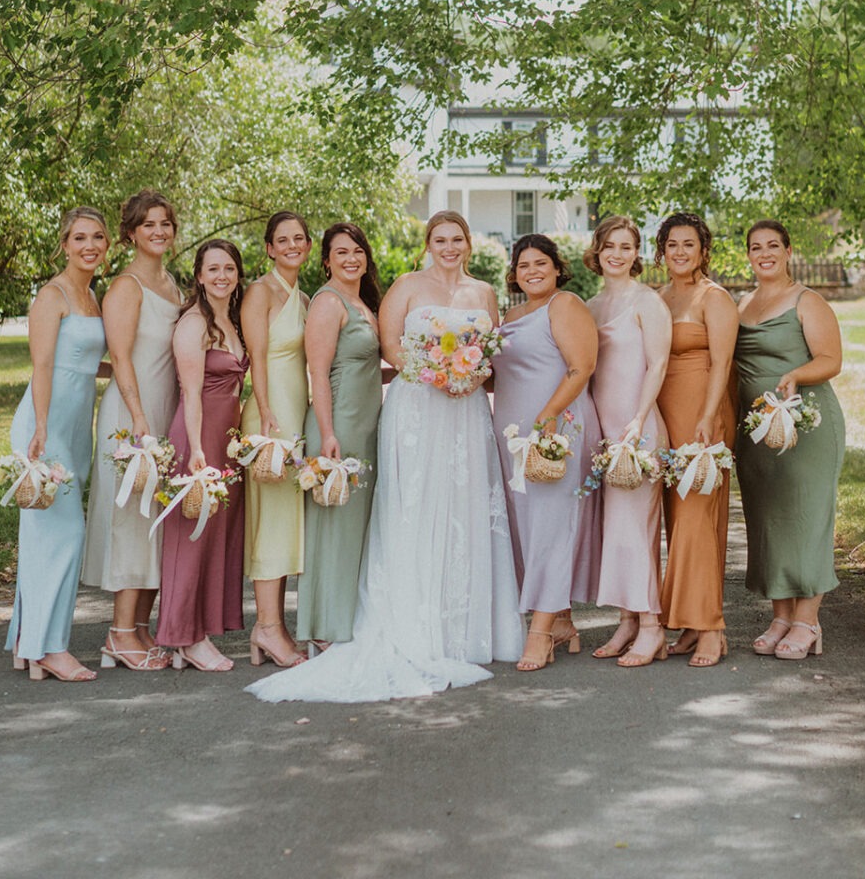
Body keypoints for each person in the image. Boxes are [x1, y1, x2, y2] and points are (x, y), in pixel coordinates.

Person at [246, 210, 524, 703]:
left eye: (458, 238)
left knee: (453, 510)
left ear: (469, 243)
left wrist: (469, 375)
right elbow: (390, 348)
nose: (450, 246)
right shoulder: (392, 289)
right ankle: (325, 627)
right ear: (427, 243)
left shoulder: (481, 293)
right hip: (402, 411)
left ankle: (454, 622)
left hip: (452, 414)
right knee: (385, 515)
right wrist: (439, 372)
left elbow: (489, 351)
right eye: (440, 238)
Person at [6, 207, 109, 682]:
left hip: (74, 426)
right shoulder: (53, 295)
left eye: (98, 238)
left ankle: (28, 642)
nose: (90, 246)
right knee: (63, 534)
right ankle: (51, 648)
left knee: (46, 535)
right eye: (81, 238)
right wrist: (42, 429)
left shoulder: (91, 295)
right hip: (44, 426)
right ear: (65, 244)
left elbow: (87, 364)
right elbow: (43, 366)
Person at [735, 220, 845, 660]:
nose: (764, 253)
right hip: (758, 429)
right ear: (748, 254)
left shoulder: (807, 300)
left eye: (773, 246)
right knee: (769, 522)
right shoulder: (743, 303)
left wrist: (796, 374)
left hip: (807, 425)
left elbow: (831, 359)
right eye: (756, 247)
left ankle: (808, 621)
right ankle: (781, 617)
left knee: (807, 517)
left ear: (788, 250)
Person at [492, 233, 602, 671]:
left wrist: (548, 416)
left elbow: (582, 367)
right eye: (524, 265)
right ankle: (559, 622)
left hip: (556, 428)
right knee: (526, 527)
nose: (532, 271)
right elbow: (494, 374)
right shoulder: (512, 314)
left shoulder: (566, 305)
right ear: (514, 274)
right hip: (512, 436)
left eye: (541, 263)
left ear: (558, 268)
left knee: (550, 526)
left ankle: (538, 634)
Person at [82, 190, 181, 670]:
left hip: (164, 413)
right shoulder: (126, 286)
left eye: (165, 223)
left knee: (155, 523)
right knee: (131, 520)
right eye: (148, 225)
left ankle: (140, 629)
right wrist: (140, 420)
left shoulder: (172, 284)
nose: (158, 231)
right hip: (132, 417)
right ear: (131, 233)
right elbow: (120, 357)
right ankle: (119, 635)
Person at [155, 240, 248, 671]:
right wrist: (194, 450)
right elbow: (190, 393)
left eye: (228, 268)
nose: (222, 276)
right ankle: (182, 636)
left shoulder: (231, 319)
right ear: (198, 275)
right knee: (190, 537)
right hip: (198, 436)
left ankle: (200, 632)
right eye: (213, 269)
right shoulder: (194, 323)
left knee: (214, 538)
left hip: (226, 437)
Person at [586, 215, 672, 668]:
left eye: (626, 246)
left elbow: (657, 365)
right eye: (609, 246)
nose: (617, 254)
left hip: (637, 430)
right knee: (614, 533)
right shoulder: (590, 304)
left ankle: (653, 627)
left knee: (638, 531)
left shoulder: (648, 301)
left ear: (636, 254)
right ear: (597, 252)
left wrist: (638, 421)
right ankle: (627, 619)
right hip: (604, 431)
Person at [654, 213, 738, 668]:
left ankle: (711, 627)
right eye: (672, 245)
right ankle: (687, 625)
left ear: (704, 250)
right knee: (674, 519)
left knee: (696, 519)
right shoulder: (659, 296)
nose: (680, 252)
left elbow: (723, 364)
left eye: (689, 244)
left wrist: (708, 417)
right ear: (662, 251)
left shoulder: (715, 298)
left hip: (703, 413)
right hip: (665, 413)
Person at [296, 223, 383, 649]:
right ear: (326, 260)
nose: (352, 259)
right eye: (341, 252)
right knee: (333, 525)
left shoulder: (363, 302)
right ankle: (324, 628)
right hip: (340, 425)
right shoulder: (328, 303)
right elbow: (318, 372)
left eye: (358, 251)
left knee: (355, 527)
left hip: (366, 424)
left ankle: (346, 619)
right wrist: (328, 433)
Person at [240, 211, 312, 668]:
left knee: (287, 522)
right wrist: (266, 414)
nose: (291, 245)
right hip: (270, 418)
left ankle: (273, 626)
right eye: (282, 239)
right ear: (268, 248)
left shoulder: (302, 295)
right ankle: (266, 626)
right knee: (271, 521)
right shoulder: (259, 292)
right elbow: (256, 359)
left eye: (299, 238)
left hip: (297, 412)